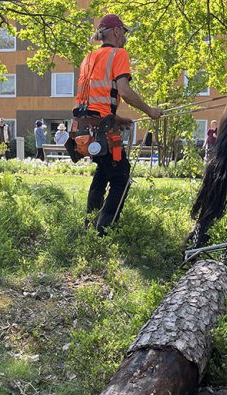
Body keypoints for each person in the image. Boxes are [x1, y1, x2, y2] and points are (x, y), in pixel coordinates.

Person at [75, 14, 163, 235]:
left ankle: (90, 224)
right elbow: (124, 90)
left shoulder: (89, 58)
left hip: (86, 128)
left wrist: (118, 119)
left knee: (103, 173)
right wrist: (150, 111)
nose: (125, 37)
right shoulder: (118, 54)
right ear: (115, 32)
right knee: (121, 178)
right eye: (124, 32)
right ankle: (103, 231)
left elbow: (93, 100)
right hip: (103, 129)